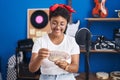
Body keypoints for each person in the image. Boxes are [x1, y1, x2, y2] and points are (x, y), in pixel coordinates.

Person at [29, 4, 80, 80]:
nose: (58, 27)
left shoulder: (72, 41)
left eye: (62, 24)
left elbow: (75, 67)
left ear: (66, 24)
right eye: (54, 23)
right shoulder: (40, 41)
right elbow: (32, 69)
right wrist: (39, 57)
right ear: (50, 21)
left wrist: (67, 66)